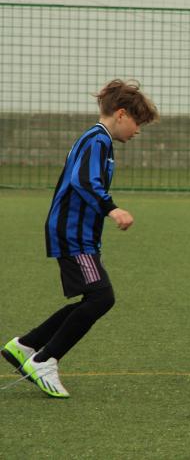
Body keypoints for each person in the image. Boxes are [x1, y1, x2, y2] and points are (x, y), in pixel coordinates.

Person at [1, 79, 159, 398]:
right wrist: (112, 209)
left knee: (94, 297)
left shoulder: (98, 140)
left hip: (77, 234)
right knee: (101, 297)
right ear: (121, 114)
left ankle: (26, 345)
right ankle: (44, 359)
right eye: (137, 123)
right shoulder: (97, 140)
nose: (138, 131)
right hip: (73, 234)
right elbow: (84, 181)